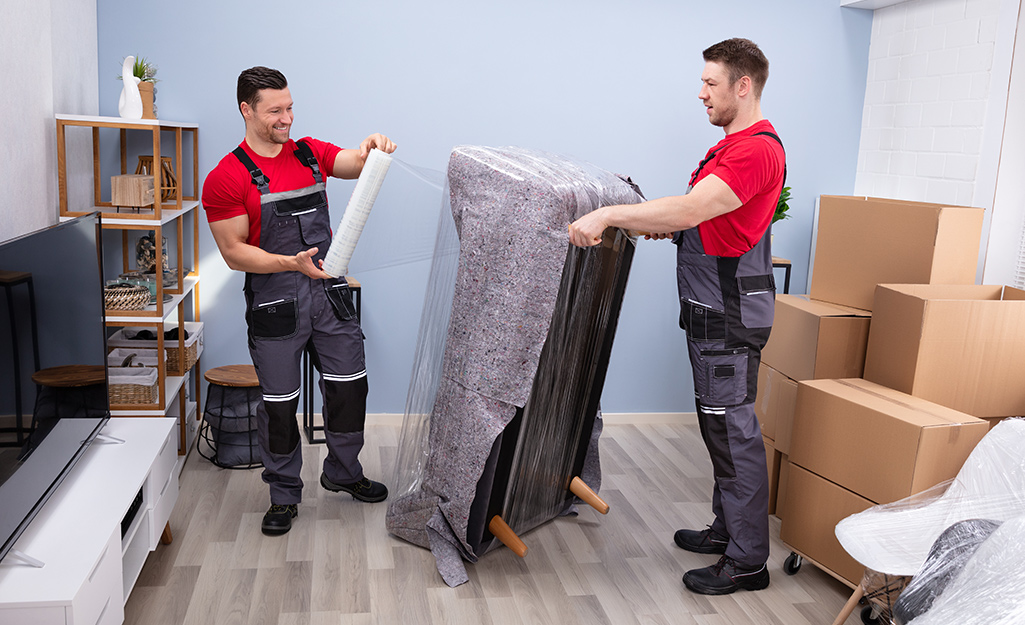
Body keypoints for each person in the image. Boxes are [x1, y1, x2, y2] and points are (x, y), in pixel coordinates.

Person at [569, 38, 786, 595]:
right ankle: (728, 530)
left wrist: (611, 213)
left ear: (743, 86)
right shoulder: (730, 148)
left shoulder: (755, 149)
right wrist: (676, 224)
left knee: (732, 431)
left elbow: (694, 207)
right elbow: (706, 217)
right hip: (712, 308)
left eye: (711, 83)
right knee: (719, 427)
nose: (702, 93)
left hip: (729, 314)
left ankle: (747, 561)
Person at [202, 66, 397, 536]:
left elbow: (351, 162)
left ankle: (343, 472)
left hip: (329, 294)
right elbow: (233, 253)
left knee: (350, 387)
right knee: (279, 404)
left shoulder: (309, 153)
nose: (286, 118)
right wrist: (290, 263)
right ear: (246, 110)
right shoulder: (226, 177)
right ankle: (284, 495)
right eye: (275, 111)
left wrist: (369, 149)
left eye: (289, 107)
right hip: (276, 303)